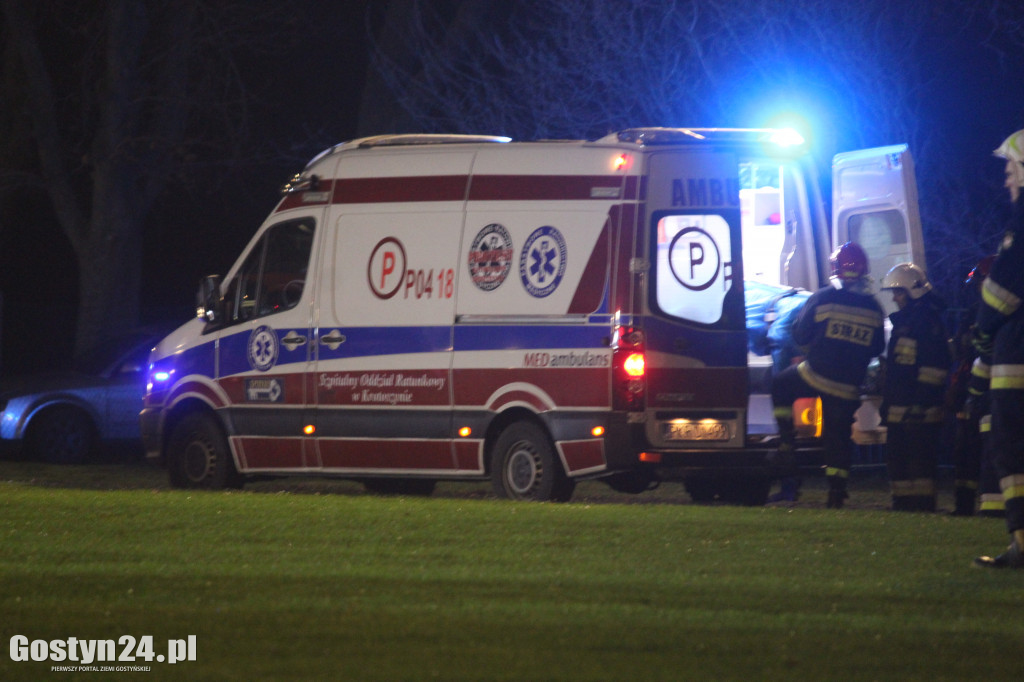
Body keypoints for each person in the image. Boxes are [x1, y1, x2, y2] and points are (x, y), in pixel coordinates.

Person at [771, 242, 885, 509]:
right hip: (848, 387)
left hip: (815, 374)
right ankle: (836, 492)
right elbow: (878, 347)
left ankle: (787, 445)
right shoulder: (874, 308)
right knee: (838, 438)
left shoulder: (822, 298)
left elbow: (800, 334)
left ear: (835, 270)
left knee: (780, 384)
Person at [974, 129, 1024, 568]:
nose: (1008, 179)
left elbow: (1001, 291)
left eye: (1011, 169)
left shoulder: (1021, 223)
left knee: (1011, 445)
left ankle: (1022, 542)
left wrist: (983, 329)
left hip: (1017, 354)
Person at [879, 263, 950, 512]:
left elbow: (934, 367)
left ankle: (922, 506)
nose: (896, 298)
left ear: (913, 291)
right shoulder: (907, 321)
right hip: (901, 407)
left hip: (920, 408)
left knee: (920, 461)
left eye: (899, 293)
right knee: (898, 459)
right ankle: (903, 504)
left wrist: (921, 403)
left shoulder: (927, 322)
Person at [947, 256, 996, 516]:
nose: (977, 287)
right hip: (970, 384)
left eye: (979, 282)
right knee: (965, 449)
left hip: (990, 390)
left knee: (991, 449)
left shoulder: (1000, 315)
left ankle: (992, 506)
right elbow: (961, 352)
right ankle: (963, 505)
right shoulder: (972, 313)